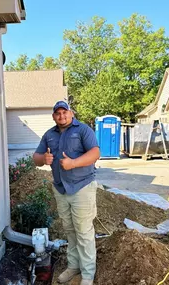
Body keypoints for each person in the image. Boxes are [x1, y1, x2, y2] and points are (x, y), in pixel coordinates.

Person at [33, 101, 100, 285]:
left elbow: (95, 153)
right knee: (70, 230)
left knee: (84, 231)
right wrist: (43, 159)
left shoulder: (83, 130)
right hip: (60, 189)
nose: (61, 116)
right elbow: (36, 158)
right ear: (53, 116)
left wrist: (73, 163)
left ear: (71, 113)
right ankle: (74, 266)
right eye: (58, 113)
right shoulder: (49, 134)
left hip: (81, 187)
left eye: (64, 112)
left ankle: (87, 274)